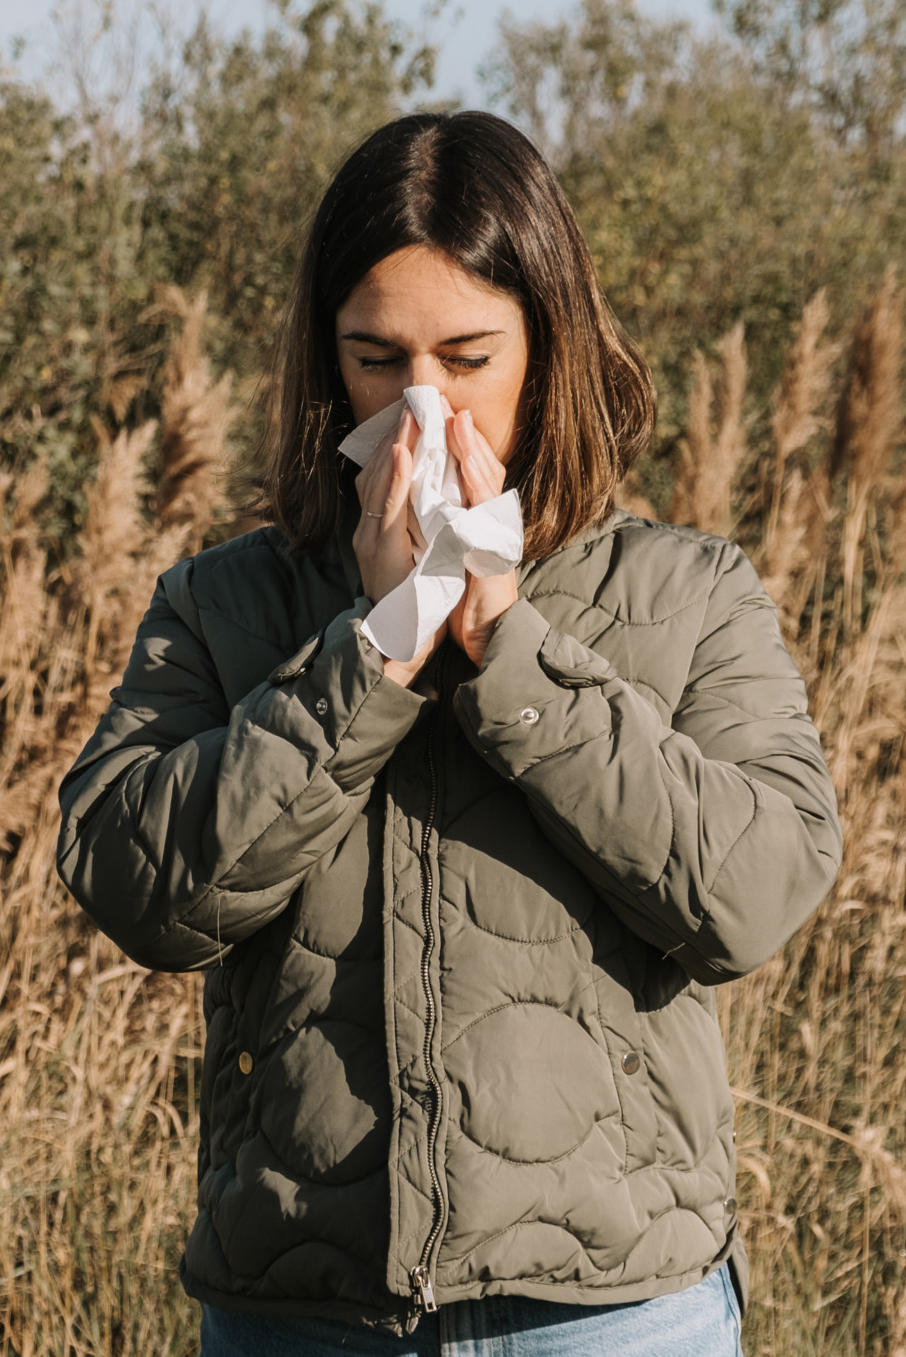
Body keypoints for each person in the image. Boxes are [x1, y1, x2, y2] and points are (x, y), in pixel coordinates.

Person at [56, 110, 842, 1355]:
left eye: (467, 357)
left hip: (609, 1312)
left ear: (551, 349)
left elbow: (752, 893)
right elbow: (137, 884)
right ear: (329, 366)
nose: (422, 410)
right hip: (304, 1309)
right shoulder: (229, 601)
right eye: (376, 361)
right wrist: (370, 652)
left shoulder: (687, 592)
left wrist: (507, 649)